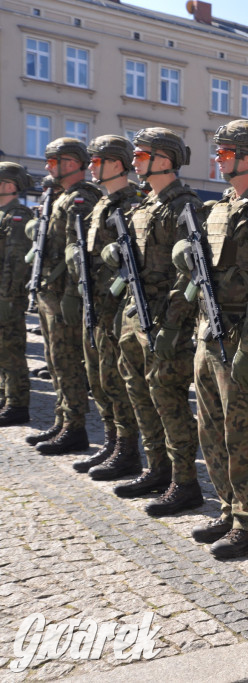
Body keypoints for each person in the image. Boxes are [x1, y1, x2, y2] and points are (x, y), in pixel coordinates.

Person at [177, 120, 248, 557]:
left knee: (242, 435)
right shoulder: (219, 206)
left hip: (241, 337)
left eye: (226, 152)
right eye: (219, 152)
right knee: (211, 429)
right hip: (209, 332)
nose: (217, 158)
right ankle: (229, 508)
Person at [95, 128, 204, 519]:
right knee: (139, 394)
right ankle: (157, 468)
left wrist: (174, 325)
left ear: (165, 159)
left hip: (163, 322)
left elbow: (189, 274)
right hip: (132, 317)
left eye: (142, 155)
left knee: (168, 399)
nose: (136, 161)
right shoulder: (142, 207)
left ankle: (184, 481)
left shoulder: (184, 206)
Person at [69, 136, 143, 474]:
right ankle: (111, 442)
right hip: (95, 306)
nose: (92, 167)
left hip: (116, 309)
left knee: (117, 382)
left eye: (98, 161)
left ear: (116, 164)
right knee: (99, 380)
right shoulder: (102, 203)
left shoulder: (132, 204)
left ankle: (127, 451)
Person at [30, 138, 101, 454]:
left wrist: (74, 295)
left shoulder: (81, 199)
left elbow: (80, 253)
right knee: (55, 360)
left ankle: (74, 428)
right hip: (50, 293)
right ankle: (61, 421)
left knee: (69, 362)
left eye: (53, 161)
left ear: (72, 163)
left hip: (65, 297)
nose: (47, 167)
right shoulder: (63, 198)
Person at [0, 162, 35, 427]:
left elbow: (15, 261)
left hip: (7, 297)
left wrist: (8, 297)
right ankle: (5, 396)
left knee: (11, 350)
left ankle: (17, 404)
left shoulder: (18, 215)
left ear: (9, 185)